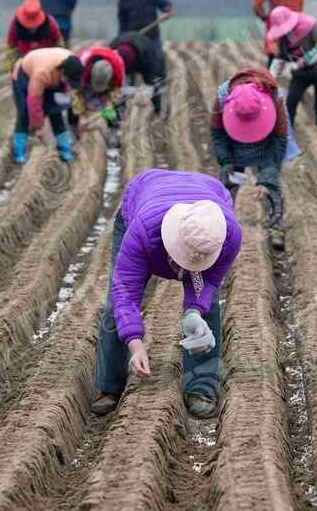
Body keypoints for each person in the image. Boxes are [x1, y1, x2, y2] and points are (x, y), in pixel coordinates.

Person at [90, 169, 242, 419]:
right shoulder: (143, 231)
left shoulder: (228, 236)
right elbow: (125, 293)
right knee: (113, 307)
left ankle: (201, 388)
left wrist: (194, 311)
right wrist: (135, 344)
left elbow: (210, 281)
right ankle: (109, 386)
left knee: (209, 310)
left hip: (204, 196)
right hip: (145, 204)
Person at [209, 67, 288, 251]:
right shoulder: (222, 99)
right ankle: (222, 227)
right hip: (233, 141)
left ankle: (276, 227)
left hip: (268, 140)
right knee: (227, 183)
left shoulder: (275, 99)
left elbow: (279, 140)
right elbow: (218, 134)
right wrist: (226, 161)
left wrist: (266, 178)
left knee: (272, 183)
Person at [267, 6, 317, 135]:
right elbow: (280, 56)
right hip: (301, 73)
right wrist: (269, 77)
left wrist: (306, 59)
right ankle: (287, 132)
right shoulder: (283, 37)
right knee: (291, 101)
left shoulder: (311, 25)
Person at [11, 47, 83, 163]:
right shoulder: (42, 73)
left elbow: (74, 95)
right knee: (24, 113)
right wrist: (38, 127)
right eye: (69, 81)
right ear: (64, 74)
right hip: (25, 74)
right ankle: (19, 152)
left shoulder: (74, 64)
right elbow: (34, 101)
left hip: (51, 73)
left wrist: (79, 113)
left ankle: (65, 149)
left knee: (55, 112)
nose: (70, 84)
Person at [70, 45, 125, 147]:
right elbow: (75, 93)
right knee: (72, 107)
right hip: (85, 79)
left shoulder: (118, 69)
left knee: (113, 110)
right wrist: (81, 116)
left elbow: (116, 90)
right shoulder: (80, 66)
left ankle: (113, 134)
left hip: (109, 79)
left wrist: (109, 103)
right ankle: (74, 135)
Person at [110, 30, 164, 117]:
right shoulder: (111, 51)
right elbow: (115, 88)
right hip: (124, 49)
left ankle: (158, 111)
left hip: (143, 56)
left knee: (151, 83)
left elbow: (152, 83)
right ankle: (120, 112)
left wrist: (155, 105)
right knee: (117, 87)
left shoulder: (148, 56)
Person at [5, 0, 64, 71]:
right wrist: (11, 68)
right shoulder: (15, 24)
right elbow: (11, 48)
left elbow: (59, 45)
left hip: (46, 60)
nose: (32, 28)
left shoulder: (50, 23)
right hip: (23, 61)